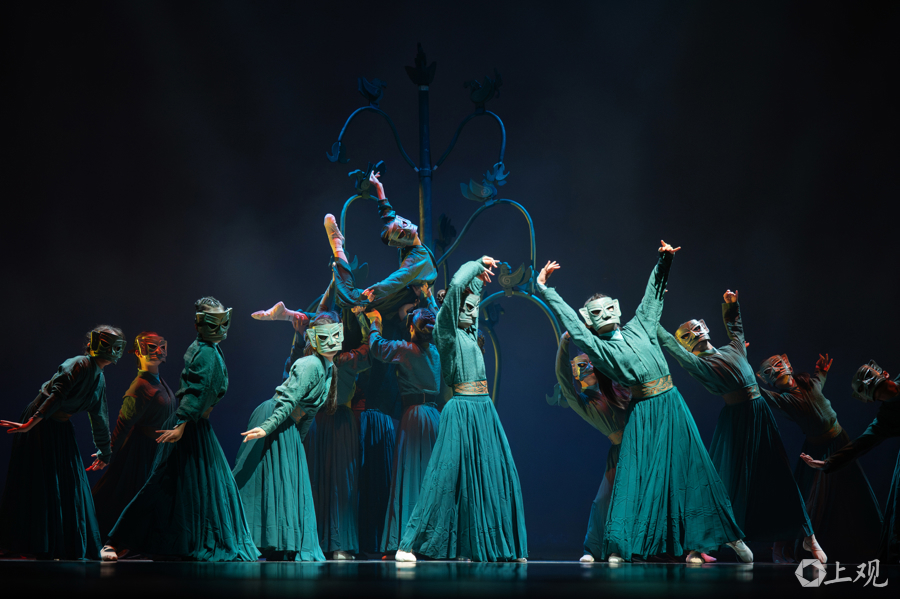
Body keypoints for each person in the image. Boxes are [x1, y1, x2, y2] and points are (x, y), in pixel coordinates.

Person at [536, 243, 752, 564]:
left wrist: (665, 259)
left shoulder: (640, 325)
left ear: (617, 308)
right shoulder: (598, 347)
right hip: (643, 413)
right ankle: (617, 547)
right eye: (596, 313)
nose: (605, 315)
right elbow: (574, 326)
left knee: (695, 470)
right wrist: (545, 290)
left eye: (608, 309)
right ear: (588, 320)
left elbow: (653, 295)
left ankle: (721, 538)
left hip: (672, 405)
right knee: (633, 478)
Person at [658, 290, 824, 563]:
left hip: (760, 416)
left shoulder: (733, 348)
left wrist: (731, 305)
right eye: (687, 335)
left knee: (780, 475)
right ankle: (699, 546)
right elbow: (671, 347)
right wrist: (654, 314)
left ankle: (808, 536)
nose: (695, 334)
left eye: (697, 328)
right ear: (684, 344)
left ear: (705, 327)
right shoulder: (697, 363)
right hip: (736, 421)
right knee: (722, 480)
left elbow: (736, 329)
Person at [101, 297, 258, 562]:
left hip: (196, 426)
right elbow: (196, 390)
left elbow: (202, 391)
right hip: (188, 427)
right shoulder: (205, 352)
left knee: (194, 489)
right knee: (161, 484)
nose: (221, 328)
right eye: (214, 322)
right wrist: (182, 424)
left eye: (223, 321)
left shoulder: (209, 349)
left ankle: (170, 542)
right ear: (200, 324)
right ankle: (114, 542)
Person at [396, 257, 527, 562]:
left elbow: (470, 296)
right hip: (460, 409)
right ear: (452, 310)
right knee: (442, 476)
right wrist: (476, 264)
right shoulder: (447, 333)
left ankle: (501, 546)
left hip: (483, 410)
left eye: (474, 308)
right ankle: (408, 544)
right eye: (465, 308)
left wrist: (480, 279)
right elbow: (456, 286)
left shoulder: (470, 332)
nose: (471, 312)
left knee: (496, 472)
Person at [0, 326, 123, 560]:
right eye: (106, 343)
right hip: (41, 424)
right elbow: (56, 395)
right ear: (91, 345)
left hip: (59, 427)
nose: (111, 351)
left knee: (70, 484)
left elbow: (99, 415)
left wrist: (104, 453)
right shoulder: (78, 364)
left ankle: (62, 545)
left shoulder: (99, 378)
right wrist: (31, 423)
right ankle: (36, 544)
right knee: (42, 483)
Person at [233, 312, 343, 562]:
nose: (331, 342)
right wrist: (266, 427)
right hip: (274, 418)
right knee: (254, 478)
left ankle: (278, 543)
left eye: (336, 335)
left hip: (287, 427)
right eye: (325, 337)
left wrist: (297, 443)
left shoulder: (329, 369)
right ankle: (243, 537)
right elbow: (288, 401)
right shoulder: (309, 364)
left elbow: (309, 413)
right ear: (313, 339)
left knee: (284, 483)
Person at [757, 353, 883, 562]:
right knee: (810, 497)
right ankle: (784, 546)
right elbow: (756, 390)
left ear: (788, 364)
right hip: (817, 450)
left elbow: (819, 382)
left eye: (779, 365)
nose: (777, 371)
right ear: (768, 380)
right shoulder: (782, 399)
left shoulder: (809, 384)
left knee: (852, 490)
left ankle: (867, 542)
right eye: (770, 372)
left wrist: (821, 372)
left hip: (840, 442)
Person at [801, 360, 900, 563]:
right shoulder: (887, 418)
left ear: (886, 374)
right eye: (877, 391)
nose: (881, 389)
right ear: (871, 400)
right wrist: (827, 463)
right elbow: (859, 444)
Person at [366, 305, 442, 554]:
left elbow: (377, 348)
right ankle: (431, 540)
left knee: (410, 475)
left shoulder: (407, 349)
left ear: (412, 329)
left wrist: (375, 324)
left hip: (414, 417)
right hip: (434, 416)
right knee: (430, 477)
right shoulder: (436, 350)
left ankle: (406, 538)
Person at [550, 333, 630, 562]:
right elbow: (563, 379)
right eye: (582, 365)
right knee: (604, 501)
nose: (589, 367)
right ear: (575, 371)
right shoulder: (583, 401)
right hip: (621, 452)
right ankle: (595, 549)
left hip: (645, 444)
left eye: (591, 362)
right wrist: (565, 343)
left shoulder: (616, 386)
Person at [91, 332, 177, 538]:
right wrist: (107, 453)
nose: (158, 351)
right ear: (138, 352)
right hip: (142, 453)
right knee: (122, 497)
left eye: (161, 346)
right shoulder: (140, 386)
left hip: (157, 451)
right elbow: (123, 424)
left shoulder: (158, 381)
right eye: (151, 347)